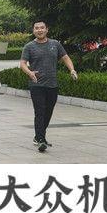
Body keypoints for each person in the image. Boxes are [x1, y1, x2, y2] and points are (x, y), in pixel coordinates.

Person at [20, 20, 78, 153]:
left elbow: (65, 58)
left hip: (52, 84)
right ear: (33, 31)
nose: (39, 30)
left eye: (42, 28)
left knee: (48, 111)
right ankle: (41, 140)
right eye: (36, 28)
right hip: (37, 84)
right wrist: (29, 72)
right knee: (39, 111)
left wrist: (72, 70)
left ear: (47, 29)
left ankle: (38, 136)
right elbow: (22, 63)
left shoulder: (55, 44)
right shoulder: (29, 46)